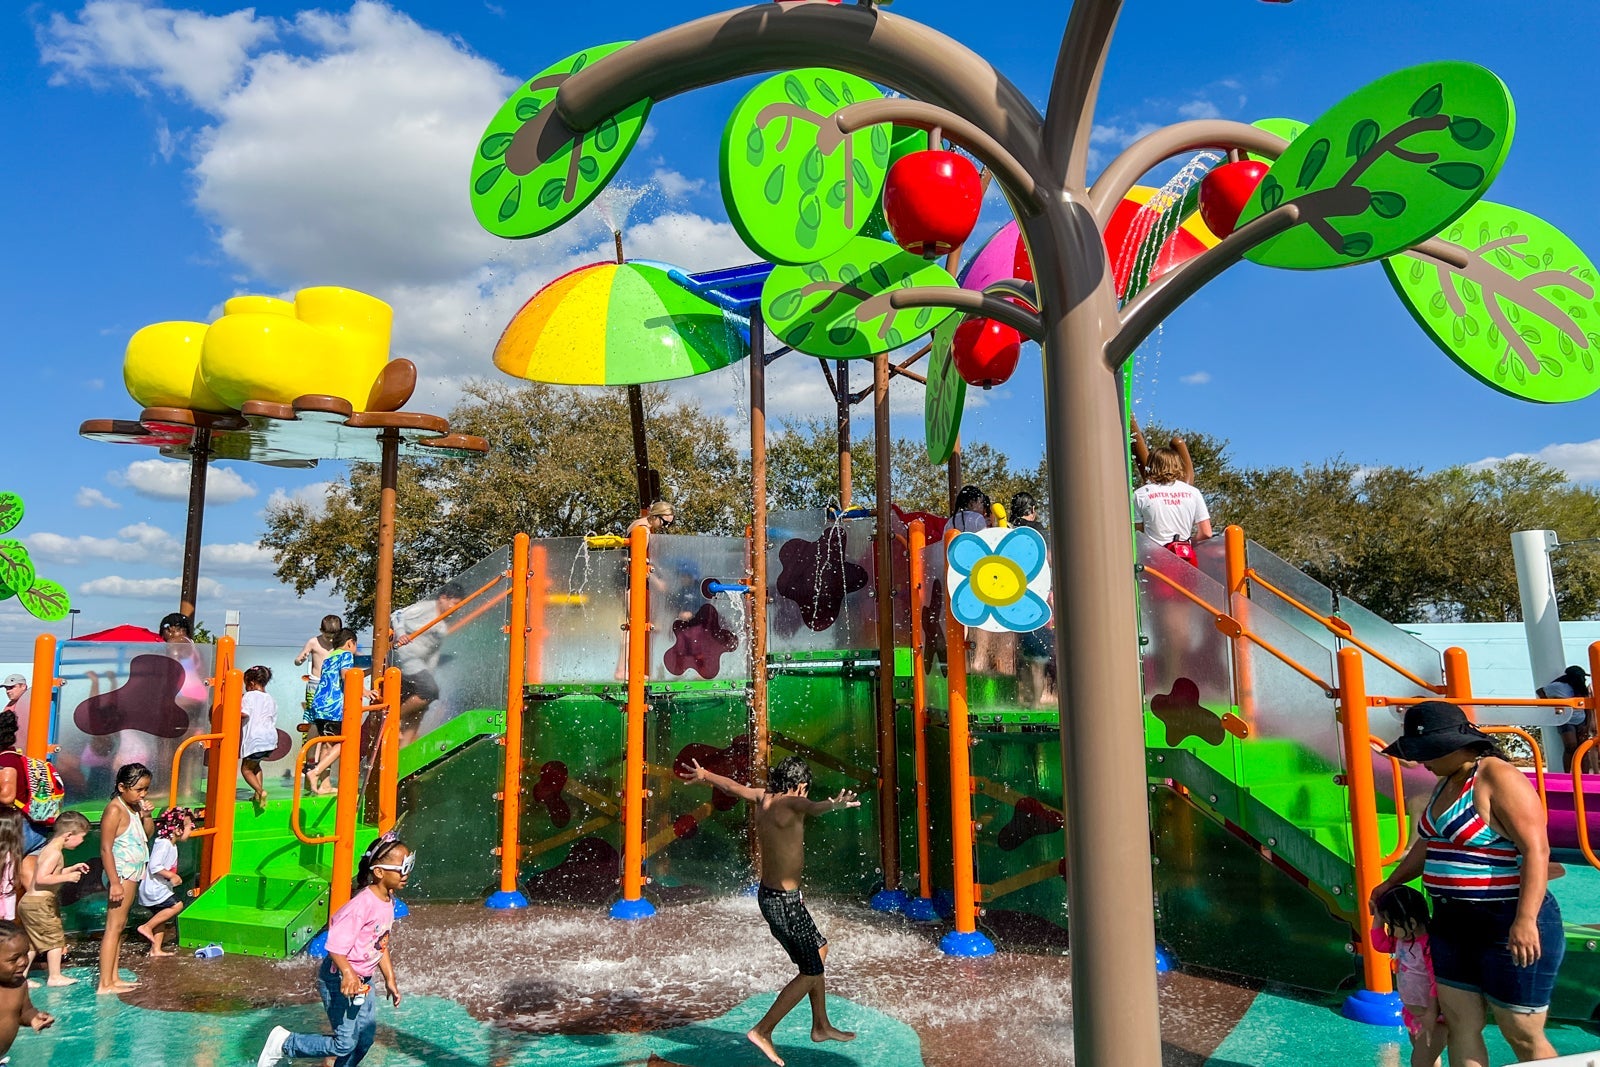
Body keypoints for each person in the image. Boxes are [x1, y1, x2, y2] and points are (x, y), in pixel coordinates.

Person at [1372, 700, 1563, 1066]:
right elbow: (1430, 843)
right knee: (1461, 1025)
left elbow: (1536, 849)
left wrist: (1525, 920)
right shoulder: (1447, 781)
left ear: (1452, 746)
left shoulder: (1497, 777)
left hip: (1505, 919)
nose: (1420, 761)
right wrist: (1390, 882)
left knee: (1521, 1032)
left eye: (1425, 751)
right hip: (1451, 922)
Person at [679, 755, 859, 1066]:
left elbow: (732, 787)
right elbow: (813, 807)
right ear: (799, 785)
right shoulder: (792, 802)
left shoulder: (763, 797)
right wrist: (833, 805)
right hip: (784, 904)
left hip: (776, 898)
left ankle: (820, 1025)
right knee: (811, 970)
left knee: (820, 949)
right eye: (805, 787)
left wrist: (705, 774)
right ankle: (763, 1031)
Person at [257, 834, 410, 1067]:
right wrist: (348, 973)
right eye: (402, 868)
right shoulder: (362, 905)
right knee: (344, 1044)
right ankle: (284, 1043)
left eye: (409, 866)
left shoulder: (387, 900)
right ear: (379, 872)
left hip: (363, 981)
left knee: (364, 1040)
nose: (406, 874)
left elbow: (381, 944)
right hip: (338, 979)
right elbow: (335, 946)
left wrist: (390, 978)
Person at [1372, 885, 1446, 1067]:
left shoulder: (1428, 946)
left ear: (1411, 923)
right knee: (1428, 1060)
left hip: (1434, 1017)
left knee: (1420, 1061)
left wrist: (1431, 1013)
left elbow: (1436, 982)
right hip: (1413, 1014)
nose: (1390, 931)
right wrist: (1378, 919)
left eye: (1391, 925)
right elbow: (1379, 944)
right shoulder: (1401, 940)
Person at [17, 811, 90, 987]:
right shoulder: (54, 853)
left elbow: (50, 873)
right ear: (68, 835)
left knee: (34, 943)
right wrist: (67, 877)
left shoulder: (48, 849)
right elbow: (42, 878)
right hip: (39, 903)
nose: (82, 841)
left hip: (31, 902)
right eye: (82, 837)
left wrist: (71, 869)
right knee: (55, 938)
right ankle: (55, 976)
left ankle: (20, 977)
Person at [98, 762, 152, 995]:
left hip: (131, 872)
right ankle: (104, 983)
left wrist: (147, 815)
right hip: (121, 873)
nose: (143, 794)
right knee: (114, 927)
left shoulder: (133, 808)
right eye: (139, 789)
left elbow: (146, 834)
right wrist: (115, 882)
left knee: (120, 926)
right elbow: (105, 848)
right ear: (122, 787)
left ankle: (114, 976)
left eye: (146, 789)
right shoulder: (115, 810)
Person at [392, 583, 464, 743]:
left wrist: (430, 673)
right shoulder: (426, 608)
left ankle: (405, 749)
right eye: (454, 604)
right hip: (407, 658)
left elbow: (433, 654)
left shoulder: (442, 625)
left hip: (419, 665)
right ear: (443, 598)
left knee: (422, 707)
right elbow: (397, 613)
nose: (455, 609)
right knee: (429, 691)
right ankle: (394, 718)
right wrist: (401, 633)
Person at [0, 710, 59, 894]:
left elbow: (7, 796)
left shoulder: (6, 760)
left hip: (15, 829)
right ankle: (40, 909)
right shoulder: (16, 757)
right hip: (34, 828)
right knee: (31, 882)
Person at [1010, 493, 1056, 708]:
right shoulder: (1039, 531)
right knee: (1038, 657)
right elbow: (1049, 559)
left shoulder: (1009, 530)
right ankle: (1035, 703)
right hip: (1038, 598)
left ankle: (1023, 701)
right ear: (1032, 509)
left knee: (1022, 654)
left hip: (1014, 599)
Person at [1133, 445, 1212, 564]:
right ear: (1177, 465)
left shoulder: (1140, 494)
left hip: (1155, 559)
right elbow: (1206, 533)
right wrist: (1190, 542)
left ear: (1150, 466)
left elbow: (1138, 534)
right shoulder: (1193, 492)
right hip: (1185, 556)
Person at [135, 807, 194, 958]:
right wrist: (171, 876)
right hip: (154, 889)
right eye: (189, 827)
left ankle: (156, 949)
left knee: (161, 917)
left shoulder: (171, 844)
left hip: (159, 888)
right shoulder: (164, 844)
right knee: (177, 905)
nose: (191, 830)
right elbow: (154, 866)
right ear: (178, 830)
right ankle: (146, 927)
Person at [305, 631, 357, 796]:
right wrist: (364, 691)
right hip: (333, 707)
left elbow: (335, 677)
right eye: (355, 646)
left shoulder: (329, 657)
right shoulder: (347, 655)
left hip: (319, 704)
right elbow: (347, 676)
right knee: (345, 742)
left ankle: (325, 785)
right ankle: (316, 772)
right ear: (350, 643)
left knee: (328, 745)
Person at [0, 922, 52, 1060]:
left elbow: (24, 1011)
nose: (23, 962)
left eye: (25, 954)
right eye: (14, 959)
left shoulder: (19, 984)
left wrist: (34, 1017)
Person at [1537, 665, 1592, 773]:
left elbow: (1588, 708)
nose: (1584, 680)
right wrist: (1551, 705)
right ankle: (1567, 774)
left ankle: (1585, 775)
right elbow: (1540, 691)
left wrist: (1587, 725)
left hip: (1581, 719)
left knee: (1583, 749)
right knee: (1570, 746)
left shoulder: (1581, 688)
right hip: (1565, 719)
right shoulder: (1557, 686)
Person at [241, 665, 279, 809]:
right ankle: (257, 794)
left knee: (246, 769)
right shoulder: (270, 699)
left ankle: (260, 791)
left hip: (255, 739)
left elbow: (244, 713)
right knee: (256, 765)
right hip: (270, 739)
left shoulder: (249, 696)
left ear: (251, 683)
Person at [0, 677, 25, 757]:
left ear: (23, 686)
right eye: (6, 688)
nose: (8, 691)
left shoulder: (31, 703)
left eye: (11, 687)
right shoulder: (9, 706)